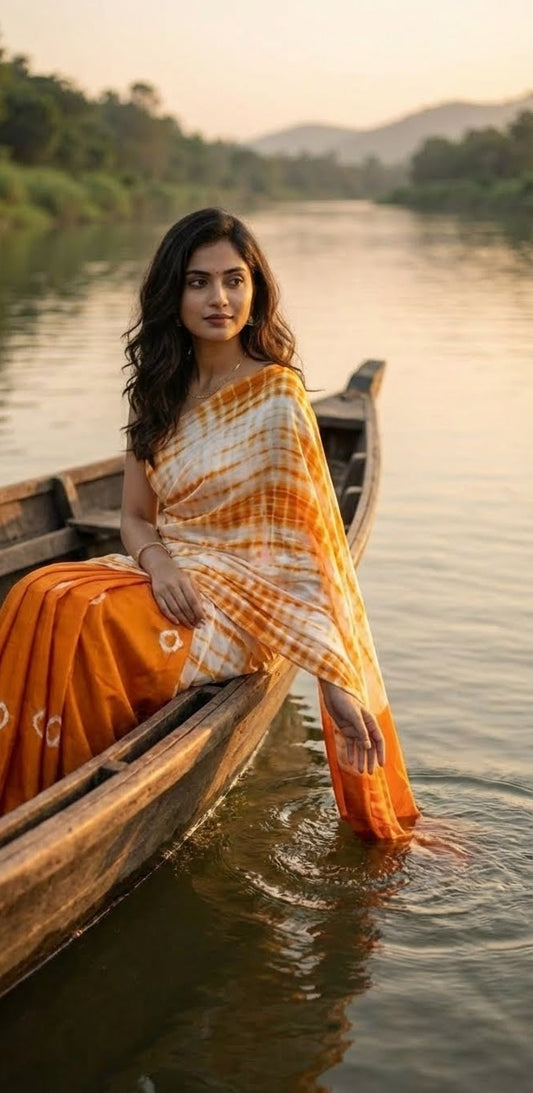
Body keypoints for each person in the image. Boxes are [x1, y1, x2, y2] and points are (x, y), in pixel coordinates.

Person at [0, 208, 419, 838]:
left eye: (233, 280)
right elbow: (135, 518)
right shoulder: (157, 393)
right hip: (175, 579)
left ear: (256, 291)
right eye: (198, 282)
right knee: (40, 591)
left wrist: (334, 675)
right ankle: (35, 787)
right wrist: (160, 564)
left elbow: (313, 553)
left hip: (248, 605)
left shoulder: (277, 397)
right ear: (173, 295)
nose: (219, 298)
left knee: (93, 621)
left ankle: (59, 798)